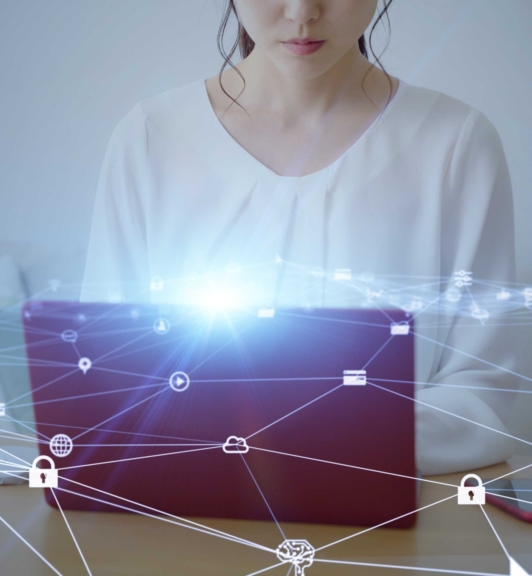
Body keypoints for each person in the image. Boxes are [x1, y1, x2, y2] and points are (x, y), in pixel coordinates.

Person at [81, 0, 521, 475]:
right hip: (181, 513)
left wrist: (320, 446)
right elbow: (102, 375)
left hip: (388, 522)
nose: (302, 12)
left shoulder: (455, 143)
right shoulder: (150, 138)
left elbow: (485, 395)